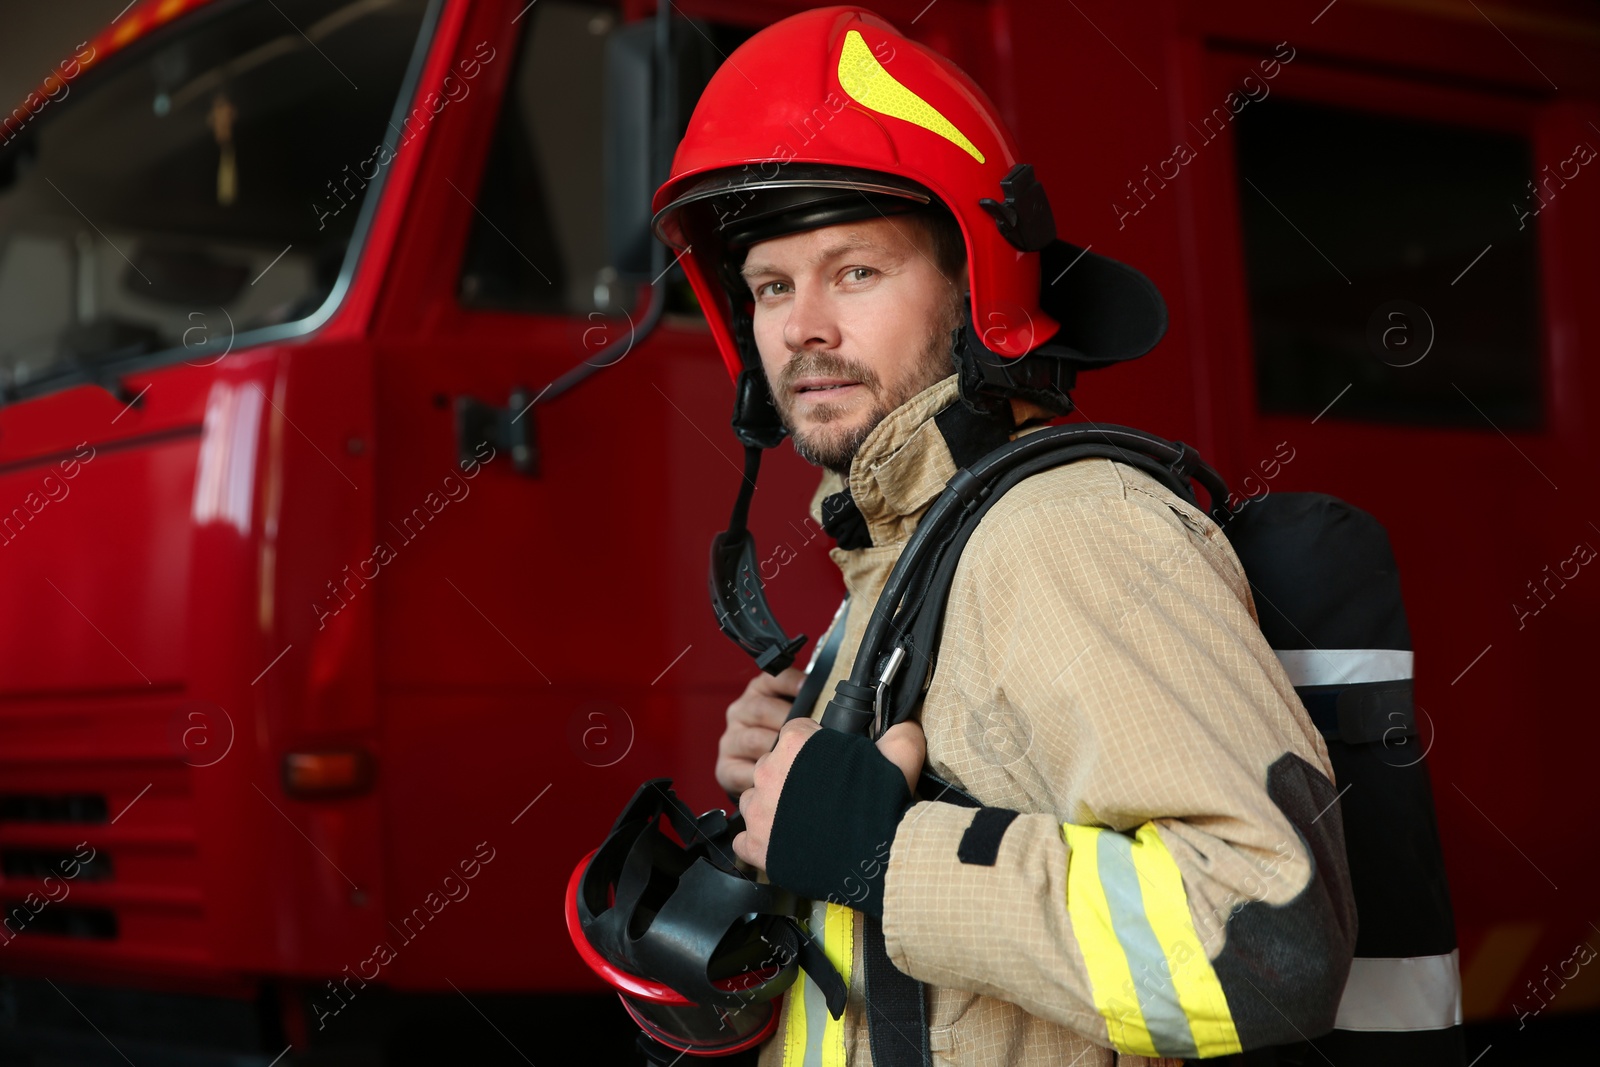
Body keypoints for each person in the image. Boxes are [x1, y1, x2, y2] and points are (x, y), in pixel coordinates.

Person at [650, 7, 1356, 1065]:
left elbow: (1267, 943)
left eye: (855, 272)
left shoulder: (1070, 532)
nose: (802, 327)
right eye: (769, 286)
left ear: (976, 293)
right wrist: (777, 822)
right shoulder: (901, 561)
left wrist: (881, 853)